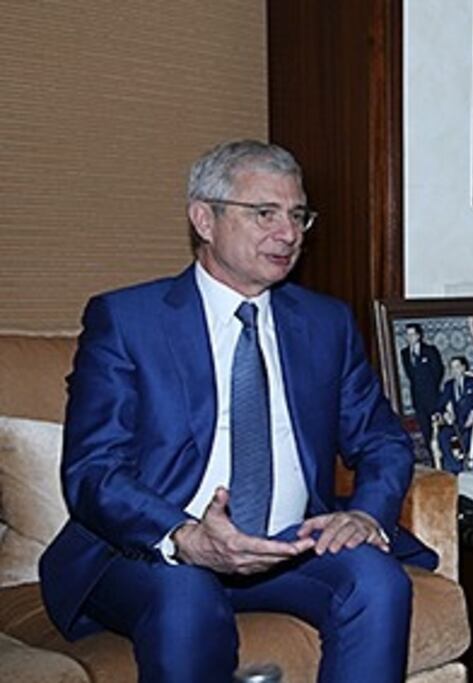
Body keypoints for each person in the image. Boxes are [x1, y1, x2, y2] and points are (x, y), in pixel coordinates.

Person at [38, 140, 436, 683]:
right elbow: (93, 471)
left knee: (376, 579)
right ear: (205, 218)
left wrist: (365, 514)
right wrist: (184, 535)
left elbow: (382, 439)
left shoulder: (325, 324)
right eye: (265, 213)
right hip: (156, 554)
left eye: (298, 215)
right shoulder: (128, 320)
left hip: (289, 543)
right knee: (187, 593)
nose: (289, 233)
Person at [434, 356, 473, 472]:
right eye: (452, 368)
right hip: (457, 422)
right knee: (443, 435)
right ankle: (453, 466)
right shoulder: (449, 386)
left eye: (458, 367)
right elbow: (439, 405)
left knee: (470, 435)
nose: (455, 371)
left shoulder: (472, 383)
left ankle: (470, 462)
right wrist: (445, 413)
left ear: (463, 368)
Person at [399, 323, 444, 444]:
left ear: (418, 335)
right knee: (425, 429)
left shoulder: (430, 350)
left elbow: (438, 370)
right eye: (407, 335)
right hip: (417, 398)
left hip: (432, 396)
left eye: (412, 334)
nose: (410, 337)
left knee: (437, 428)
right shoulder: (404, 353)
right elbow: (410, 375)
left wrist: (431, 388)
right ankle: (431, 456)